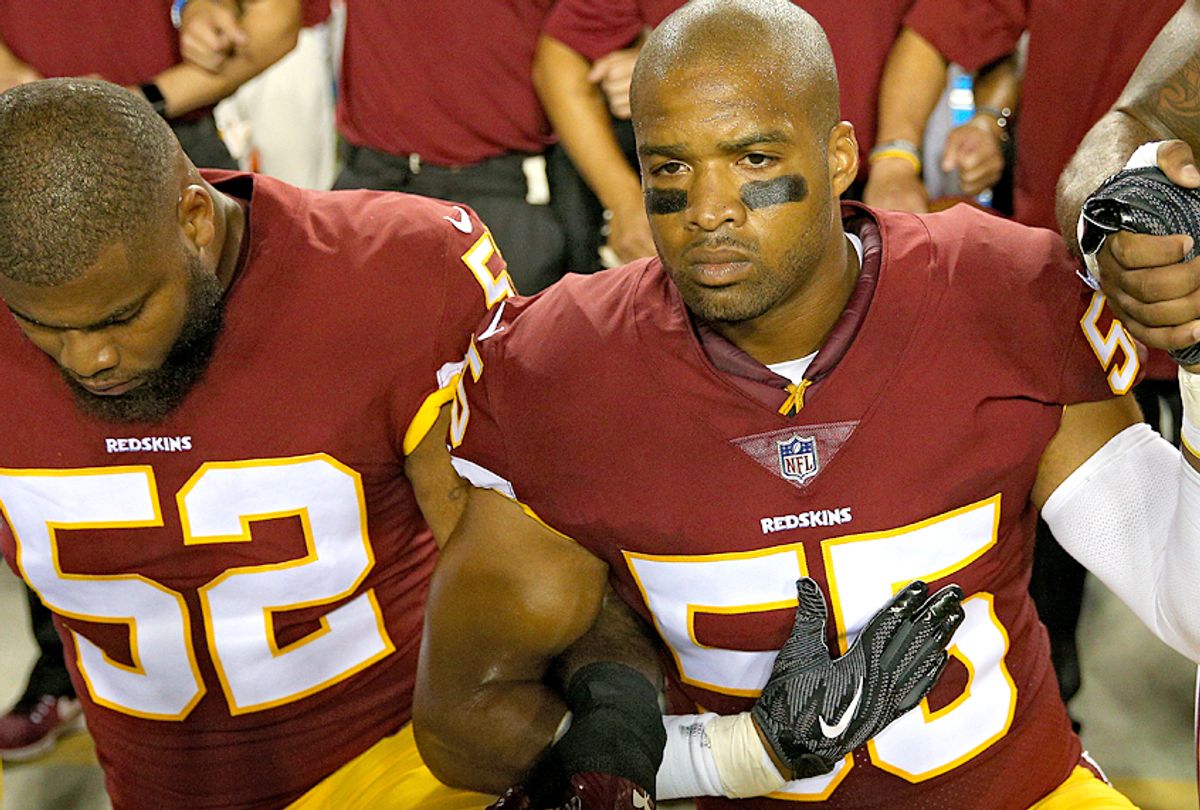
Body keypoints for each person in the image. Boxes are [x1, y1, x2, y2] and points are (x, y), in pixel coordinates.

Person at [413, 0, 1200, 806]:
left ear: (839, 156)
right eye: (671, 168)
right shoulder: (562, 363)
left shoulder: (999, 289)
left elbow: (1190, 599)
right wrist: (740, 754)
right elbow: (463, 722)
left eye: (753, 159)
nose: (709, 208)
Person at [0, 78, 509, 810]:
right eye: (42, 324)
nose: (88, 359)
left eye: (120, 316)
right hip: (149, 783)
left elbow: (510, 571)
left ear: (196, 221)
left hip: (400, 765)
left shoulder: (394, 273)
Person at [0, 0, 307, 763]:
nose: (89, 357)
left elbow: (264, 25)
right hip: (24, 155)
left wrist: (144, 101)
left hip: (167, 137)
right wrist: (42, 115)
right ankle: (68, 662)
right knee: (59, 452)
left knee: (250, 415)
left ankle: (276, 633)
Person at [533, 0, 920, 266]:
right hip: (691, 187)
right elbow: (559, 59)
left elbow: (931, 36)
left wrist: (897, 158)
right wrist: (626, 202)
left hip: (846, 183)